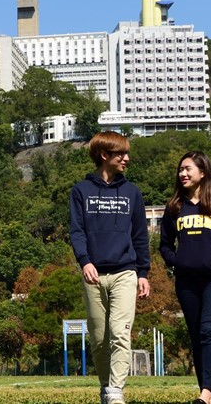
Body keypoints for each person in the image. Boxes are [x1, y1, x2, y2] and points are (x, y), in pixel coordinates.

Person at [69, 130, 151, 404]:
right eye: (121, 154)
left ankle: (116, 391)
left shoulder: (132, 192)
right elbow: (77, 231)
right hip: (93, 274)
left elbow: (140, 235)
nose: (127, 158)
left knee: (120, 333)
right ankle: (106, 387)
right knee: (100, 340)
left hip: (125, 273)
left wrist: (143, 273)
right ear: (104, 155)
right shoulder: (80, 191)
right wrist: (84, 261)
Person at [159, 151, 211, 404]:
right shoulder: (174, 207)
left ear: (202, 172)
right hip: (186, 282)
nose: (183, 173)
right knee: (196, 335)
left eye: (188, 169)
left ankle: (207, 393)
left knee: (208, 330)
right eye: (180, 169)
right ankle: (205, 392)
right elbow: (164, 245)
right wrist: (178, 263)